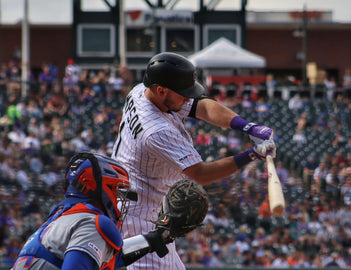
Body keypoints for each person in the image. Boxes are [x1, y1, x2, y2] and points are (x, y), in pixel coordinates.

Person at [111, 52, 276, 270]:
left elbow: (203, 106)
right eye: (183, 94)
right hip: (138, 217)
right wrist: (251, 155)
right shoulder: (156, 130)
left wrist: (247, 126)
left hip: (137, 206)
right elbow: (201, 174)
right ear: (161, 90)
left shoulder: (142, 91)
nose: (188, 98)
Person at [12, 152, 170, 270]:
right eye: (116, 189)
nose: (118, 197)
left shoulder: (59, 220)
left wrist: (156, 238)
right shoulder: (92, 222)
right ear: (99, 187)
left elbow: (112, 258)